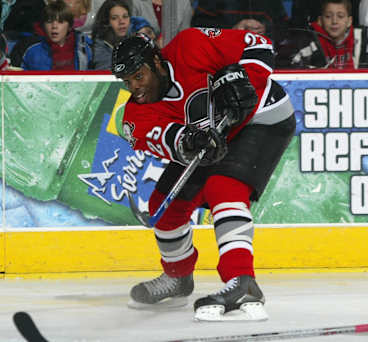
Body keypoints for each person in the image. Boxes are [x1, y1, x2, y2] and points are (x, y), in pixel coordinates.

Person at [111, 29, 295, 320]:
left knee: (223, 187)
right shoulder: (136, 117)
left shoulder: (190, 44)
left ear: (157, 63)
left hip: (262, 117)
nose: (135, 87)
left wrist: (246, 81)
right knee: (165, 207)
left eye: (139, 76)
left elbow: (260, 44)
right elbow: (174, 141)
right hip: (213, 138)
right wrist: (191, 141)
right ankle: (178, 278)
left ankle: (243, 281)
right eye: (128, 81)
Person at [9, 0, 92, 70]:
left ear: (69, 26)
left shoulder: (84, 47)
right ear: (43, 25)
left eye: (61, 22)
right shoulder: (28, 48)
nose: (54, 26)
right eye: (49, 22)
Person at [279, 0, 356, 69]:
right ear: (320, 21)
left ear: (349, 21)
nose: (334, 21)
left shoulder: (358, 44)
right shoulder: (308, 45)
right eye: (328, 16)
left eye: (340, 16)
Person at [191, 0, 290, 40]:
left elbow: (286, 29)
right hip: (222, 61)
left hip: (261, 58)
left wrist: (265, 28)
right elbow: (199, 27)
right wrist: (231, 30)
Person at [91, 0, 131, 70]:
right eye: (114, 18)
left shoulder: (131, 41)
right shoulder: (98, 49)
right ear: (106, 22)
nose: (122, 22)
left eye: (125, 16)